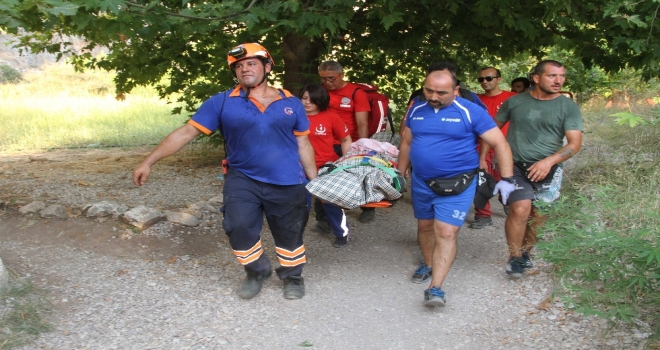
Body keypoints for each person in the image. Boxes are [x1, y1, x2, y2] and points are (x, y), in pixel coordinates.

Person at [133, 43, 318, 300]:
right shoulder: (221, 102)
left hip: (288, 180)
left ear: (267, 67)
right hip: (242, 178)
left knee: (290, 231)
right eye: (239, 66)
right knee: (237, 227)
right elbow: (187, 132)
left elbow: (303, 142)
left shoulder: (292, 103)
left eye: (251, 63)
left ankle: (293, 277)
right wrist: (148, 162)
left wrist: (314, 179)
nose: (244, 69)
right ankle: (257, 271)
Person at [397, 69, 516, 306]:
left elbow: (500, 143)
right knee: (425, 226)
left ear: (456, 90)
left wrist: (507, 179)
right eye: (428, 90)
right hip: (422, 181)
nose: (433, 96)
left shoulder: (471, 111)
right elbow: (407, 142)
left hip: (458, 181)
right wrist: (400, 174)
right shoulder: (417, 110)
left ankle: (436, 288)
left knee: (447, 231)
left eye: (441, 92)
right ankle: (429, 264)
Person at [494, 60, 583, 278]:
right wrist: (482, 158)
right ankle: (514, 258)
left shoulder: (568, 106)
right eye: (552, 76)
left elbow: (574, 144)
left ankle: (525, 253)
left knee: (539, 216)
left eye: (561, 76)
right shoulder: (515, 102)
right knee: (520, 209)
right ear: (536, 78)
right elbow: (492, 129)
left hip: (548, 168)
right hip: (515, 165)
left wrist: (548, 162)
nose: (558, 81)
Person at [318, 61, 376, 223]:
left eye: (331, 78)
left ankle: (368, 207)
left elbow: (362, 122)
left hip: (350, 141)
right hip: (327, 141)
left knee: (358, 174)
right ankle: (325, 217)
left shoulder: (355, 93)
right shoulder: (321, 91)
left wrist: (362, 146)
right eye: (323, 79)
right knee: (325, 175)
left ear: (341, 75)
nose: (327, 82)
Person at [298, 83, 353, 247]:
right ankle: (294, 239)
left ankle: (342, 234)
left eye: (312, 99)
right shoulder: (293, 115)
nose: (307, 102)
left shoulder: (331, 116)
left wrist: (346, 159)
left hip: (325, 166)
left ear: (320, 100)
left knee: (330, 202)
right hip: (299, 168)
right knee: (298, 204)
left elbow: (345, 139)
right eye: (304, 98)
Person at [470, 67, 518, 229]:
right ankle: (483, 215)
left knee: (505, 178)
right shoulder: (474, 99)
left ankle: (506, 202)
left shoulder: (513, 98)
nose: (485, 82)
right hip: (479, 146)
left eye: (489, 78)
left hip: (505, 148)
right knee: (481, 182)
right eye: (481, 79)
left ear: (498, 79)